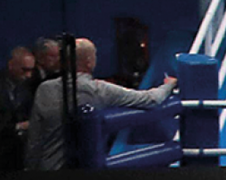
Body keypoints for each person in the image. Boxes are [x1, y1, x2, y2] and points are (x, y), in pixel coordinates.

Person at [23, 38, 177, 171]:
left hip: (48, 171)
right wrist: (169, 85)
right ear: (90, 61)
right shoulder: (98, 89)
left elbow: (35, 138)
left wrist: (30, 170)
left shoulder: (44, 89)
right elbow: (151, 99)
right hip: (83, 175)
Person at [0, 46, 37, 173]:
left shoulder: (26, 90)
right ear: (11, 65)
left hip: (18, 156)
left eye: (31, 71)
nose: (28, 75)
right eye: (24, 70)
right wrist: (18, 127)